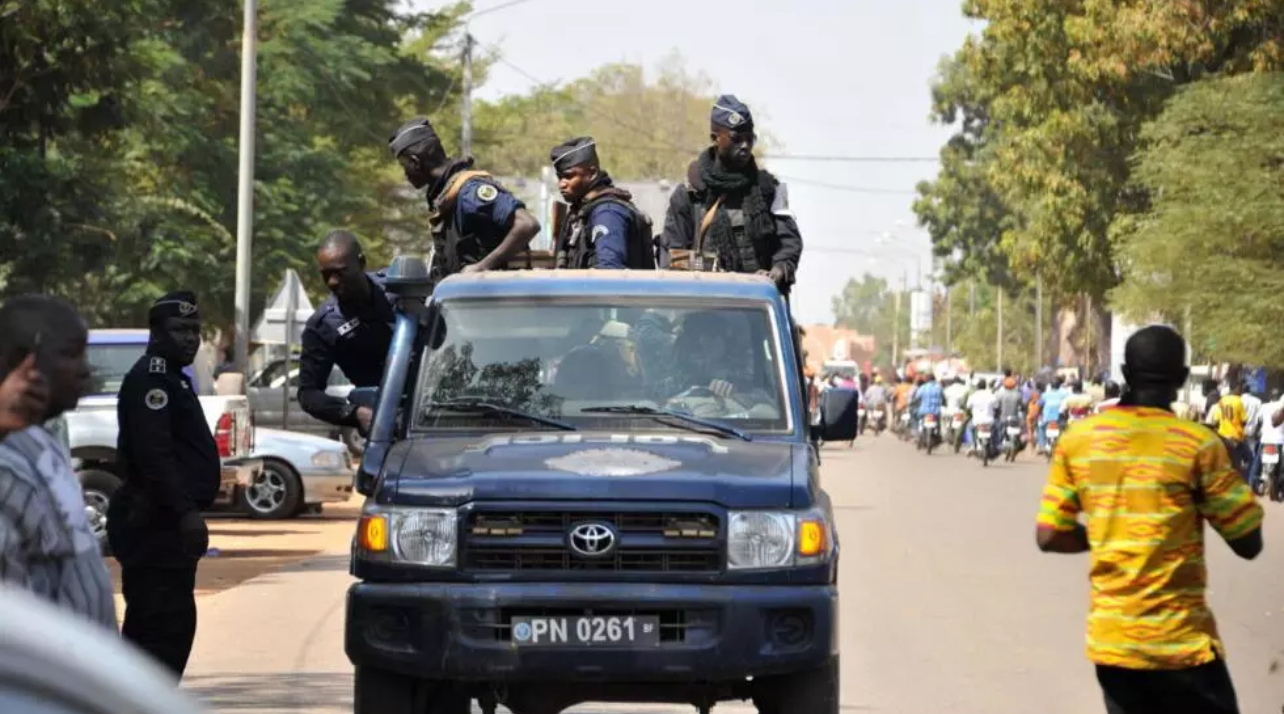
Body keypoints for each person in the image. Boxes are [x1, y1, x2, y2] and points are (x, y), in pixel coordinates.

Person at [1036, 325, 1262, 714]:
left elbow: (1049, 534)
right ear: (1181, 378)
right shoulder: (1198, 445)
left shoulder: (1079, 440)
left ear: (1125, 373)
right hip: (1182, 645)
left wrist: (1108, 535)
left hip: (1114, 644)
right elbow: (1248, 541)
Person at [108, 291, 222, 678]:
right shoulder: (152, 380)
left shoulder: (173, 378)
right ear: (156, 333)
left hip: (164, 525)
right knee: (159, 634)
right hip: (154, 524)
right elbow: (154, 454)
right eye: (180, 330)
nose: (190, 338)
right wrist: (186, 512)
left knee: (164, 630)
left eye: (195, 331)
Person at [0, 296, 114, 629]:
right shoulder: (8, 462)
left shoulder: (42, 438)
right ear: (21, 360)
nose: (84, 369)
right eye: (70, 354)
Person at [660, 95, 801, 293]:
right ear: (715, 138)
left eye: (749, 138)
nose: (745, 146)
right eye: (736, 138)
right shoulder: (690, 194)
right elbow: (671, 257)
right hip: (706, 305)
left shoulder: (769, 189)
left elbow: (789, 242)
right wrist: (711, 269)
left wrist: (779, 270)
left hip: (758, 306)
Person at [389, 117, 540, 279]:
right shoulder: (446, 198)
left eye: (404, 167)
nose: (405, 175)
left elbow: (527, 224)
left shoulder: (470, 192)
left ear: (415, 163)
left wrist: (482, 267)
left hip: (498, 299)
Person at [297, 231, 394, 432]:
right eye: (326, 275)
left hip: (439, 405)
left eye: (340, 272)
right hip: (385, 421)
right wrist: (354, 413)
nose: (332, 282)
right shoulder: (323, 327)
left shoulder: (400, 288)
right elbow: (308, 393)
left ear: (361, 263)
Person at [549, 136, 656, 270]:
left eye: (569, 176)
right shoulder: (580, 212)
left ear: (592, 173)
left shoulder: (607, 213)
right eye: (560, 177)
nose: (562, 184)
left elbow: (609, 272)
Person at [1210, 383, 1251, 478]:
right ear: (1236, 388)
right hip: (1235, 437)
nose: (1240, 391)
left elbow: (1216, 420)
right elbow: (1244, 421)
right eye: (1240, 389)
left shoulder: (1222, 401)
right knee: (1248, 459)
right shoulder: (1238, 401)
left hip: (1223, 436)